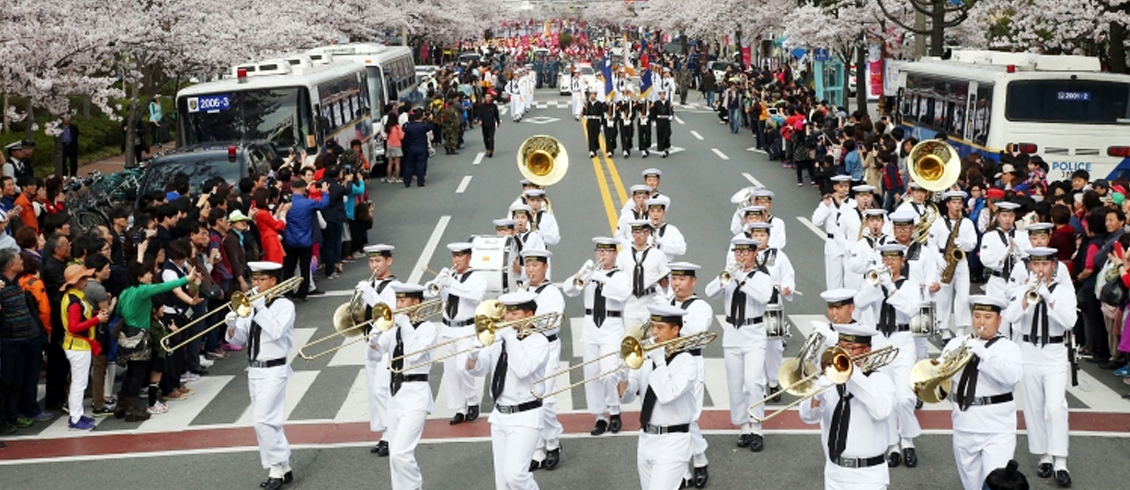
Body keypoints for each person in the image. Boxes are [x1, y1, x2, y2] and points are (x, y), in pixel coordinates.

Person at [799, 289, 896, 490]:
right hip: (834, 473)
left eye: (851, 350)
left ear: (867, 352)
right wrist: (816, 392)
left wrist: (852, 374)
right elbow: (808, 417)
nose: (846, 355)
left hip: (869, 477)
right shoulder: (830, 380)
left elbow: (881, 411)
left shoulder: (879, 381)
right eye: (842, 349)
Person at [1002, 247, 1076, 487]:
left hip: (1054, 352)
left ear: (1053, 266)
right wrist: (1027, 298)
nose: (1040, 270)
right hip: (1029, 351)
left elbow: (1069, 321)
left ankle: (1061, 461)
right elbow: (1011, 317)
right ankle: (1044, 456)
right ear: (1030, 267)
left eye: (1045, 265)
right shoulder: (1023, 290)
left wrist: (1049, 297)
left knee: (1055, 407)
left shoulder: (1063, 291)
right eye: (1036, 265)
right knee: (1033, 407)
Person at [467, 290, 551, 490]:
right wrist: (473, 353)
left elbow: (523, 370)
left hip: (526, 416)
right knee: (502, 482)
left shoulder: (538, 341)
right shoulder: (500, 340)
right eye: (507, 313)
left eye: (515, 314)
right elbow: (477, 370)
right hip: (500, 415)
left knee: (516, 475)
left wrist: (509, 337)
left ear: (529, 315)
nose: (508, 318)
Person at [224, 262, 298, 490]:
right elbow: (238, 341)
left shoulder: (285, 306)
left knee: (262, 420)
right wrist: (232, 326)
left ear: (273, 281)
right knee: (268, 420)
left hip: (275, 369)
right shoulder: (252, 304)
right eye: (254, 279)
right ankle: (284, 467)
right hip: (254, 370)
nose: (255, 284)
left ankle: (275, 467)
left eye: (261, 279)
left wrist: (259, 308)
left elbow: (276, 332)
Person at [945, 295, 1024, 490]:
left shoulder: (1008, 348)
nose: (981, 321)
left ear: (999, 320)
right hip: (964, 423)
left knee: (996, 484)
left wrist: (984, 355)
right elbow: (940, 376)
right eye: (977, 315)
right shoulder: (956, 344)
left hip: (996, 428)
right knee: (970, 485)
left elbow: (1012, 376)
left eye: (988, 317)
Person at [856, 244, 923, 468]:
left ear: (902, 261)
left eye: (894, 259)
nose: (890, 264)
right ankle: (893, 444)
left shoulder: (910, 286)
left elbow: (912, 309)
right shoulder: (876, 283)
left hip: (903, 341)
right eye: (886, 259)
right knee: (887, 396)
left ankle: (908, 440)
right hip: (880, 341)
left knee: (904, 397)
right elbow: (858, 303)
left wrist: (891, 289)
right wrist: (872, 284)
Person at [617, 304, 697, 490]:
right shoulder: (647, 359)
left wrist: (659, 360)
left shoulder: (686, 362)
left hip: (673, 442)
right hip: (646, 439)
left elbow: (667, 394)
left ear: (675, 330)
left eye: (660, 328)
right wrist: (622, 375)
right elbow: (626, 397)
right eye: (652, 326)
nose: (653, 333)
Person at [704, 236, 773, 452]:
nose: (741, 256)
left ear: (754, 254)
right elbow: (709, 292)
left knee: (753, 383)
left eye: (745, 252)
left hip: (754, 334)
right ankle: (744, 427)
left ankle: (757, 428)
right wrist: (725, 278)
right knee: (735, 386)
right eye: (738, 252)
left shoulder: (762, 276)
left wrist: (742, 281)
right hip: (732, 333)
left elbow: (763, 297)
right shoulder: (730, 274)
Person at [369, 282, 437, 490]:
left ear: (416, 303)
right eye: (397, 300)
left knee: (401, 453)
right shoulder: (395, 329)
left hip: (415, 394)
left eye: (403, 300)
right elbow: (375, 356)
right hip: (395, 395)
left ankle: (415, 486)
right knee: (394, 457)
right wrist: (373, 339)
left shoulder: (427, 328)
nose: (398, 304)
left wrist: (405, 324)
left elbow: (415, 355)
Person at [563, 237, 630, 435]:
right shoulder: (590, 274)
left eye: (606, 252)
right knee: (592, 374)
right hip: (590, 326)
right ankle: (600, 416)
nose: (602, 255)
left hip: (611, 326)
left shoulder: (620, 275)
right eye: (599, 251)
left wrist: (603, 280)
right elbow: (569, 289)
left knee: (609, 373)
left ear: (614, 254)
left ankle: (615, 410)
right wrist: (582, 273)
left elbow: (623, 294)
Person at [424, 242, 488, 424]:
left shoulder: (477, 277)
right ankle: (461, 409)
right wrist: (437, 282)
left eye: (460, 256)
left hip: (467, 329)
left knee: (463, 367)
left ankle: (472, 400)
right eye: (454, 256)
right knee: (451, 371)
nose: (457, 260)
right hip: (448, 328)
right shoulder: (449, 276)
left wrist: (452, 284)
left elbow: (475, 296)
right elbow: (429, 293)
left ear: (469, 257)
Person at [666, 262, 713, 488]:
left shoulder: (700, 306)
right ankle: (684, 468)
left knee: (688, 416)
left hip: (691, 362)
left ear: (693, 281)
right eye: (674, 278)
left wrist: (671, 320)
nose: (677, 283)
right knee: (673, 416)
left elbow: (697, 331)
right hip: (669, 363)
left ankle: (700, 458)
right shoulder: (666, 303)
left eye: (682, 279)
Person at [522, 250, 566, 471]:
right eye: (527, 266)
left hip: (547, 346)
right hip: (527, 346)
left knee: (546, 400)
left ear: (545, 267)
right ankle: (537, 449)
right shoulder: (521, 290)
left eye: (534, 266)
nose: (530, 270)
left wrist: (529, 320)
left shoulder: (552, 293)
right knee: (531, 400)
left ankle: (553, 443)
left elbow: (554, 323)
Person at [355, 244, 397, 455]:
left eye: (378, 261)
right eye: (371, 261)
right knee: (374, 389)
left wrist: (369, 294)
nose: (374, 265)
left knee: (383, 389)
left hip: (387, 344)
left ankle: (392, 434)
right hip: (370, 341)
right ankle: (384, 433)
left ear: (388, 261)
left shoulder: (395, 286)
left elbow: (388, 312)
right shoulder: (370, 285)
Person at [748, 223, 796, 404]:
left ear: (768, 237)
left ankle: (774, 381)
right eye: (755, 235)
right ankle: (759, 386)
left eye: (762, 235)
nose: (759, 239)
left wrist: (787, 288)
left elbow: (788, 276)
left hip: (773, 306)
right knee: (755, 345)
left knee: (774, 347)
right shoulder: (746, 255)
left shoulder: (779, 256)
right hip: (752, 306)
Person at [59, 263, 110, 430]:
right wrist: (97, 320)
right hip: (78, 346)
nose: (87, 281)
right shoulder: (75, 300)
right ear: (76, 281)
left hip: (78, 345)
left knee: (79, 383)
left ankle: (77, 414)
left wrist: (95, 316)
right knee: (79, 383)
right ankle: (75, 418)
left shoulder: (74, 297)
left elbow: (78, 320)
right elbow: (74, 327)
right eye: (83, 278)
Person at [931, 190, 977, 340]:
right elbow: (931, 242)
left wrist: (962, 243)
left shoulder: (967, 223)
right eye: (954, 203)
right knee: (943, 297)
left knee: (963, 296)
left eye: (959, 203)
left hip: (961, 261)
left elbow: (973, 243)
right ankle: (944, 329)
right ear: (948, 204)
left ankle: (961, 328)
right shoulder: (938, 223)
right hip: (944, 260)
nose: (958, 206)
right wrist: (938, 259)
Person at [281, 178, 329, 302]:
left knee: (289, 268)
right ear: (304, 188)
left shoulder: (287, 205)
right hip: (305, 240)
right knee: (304, 268)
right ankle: (302, 293)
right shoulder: (309, 203)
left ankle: (288, 292)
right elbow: (324, 204)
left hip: (290, 240)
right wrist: (325, 192)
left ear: (291, 188)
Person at [617, 220, 670, 331]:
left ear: (647, 233)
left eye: (641, 232)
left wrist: (664, 284)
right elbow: (618, 278)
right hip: (630, 302)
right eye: (635, 233)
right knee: (631, 337)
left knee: (651, 337)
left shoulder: (658, 255)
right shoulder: (623, 255)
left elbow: (666, 281)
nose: (638, 236)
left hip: (650, 300)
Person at [980, 202, 1029, 299]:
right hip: (997, 281)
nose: (1008, 219)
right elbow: (985, 259)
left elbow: (1028, 257)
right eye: (1004, 215)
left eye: (1011, 215)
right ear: (998, 216)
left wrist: (1017, 251)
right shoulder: (989, 236)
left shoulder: (1023, 235)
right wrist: (1005, 253)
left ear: (1014, 217)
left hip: (1018, 281)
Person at [812, 175, 854, 289]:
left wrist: (841, 204)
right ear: (835, 187)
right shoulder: (828, 202)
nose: (844, 189)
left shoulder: (852, 204)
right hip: (833, 243)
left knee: (851, 278)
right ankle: (835, 304)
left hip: (848, 242)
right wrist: (825, 206)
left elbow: (854, 219)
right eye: (841, 186)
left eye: (846, 186)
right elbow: (816, 221)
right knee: (834, 279)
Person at [646, 197, 686, 262]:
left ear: (664, 213)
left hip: (665, 266)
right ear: (648, 213)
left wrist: (662, 247)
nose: (655, 215)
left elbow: (682, 249)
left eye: (659, 211)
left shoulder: (672, 230)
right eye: (652, 211)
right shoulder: (642, 229)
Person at [402, 111, 432, 188]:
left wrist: (405, 148)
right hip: (421, 147)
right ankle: (420, 181)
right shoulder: (423, 126)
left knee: (409, 165)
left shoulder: (409, 126)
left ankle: (407, 181)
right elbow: (431, 127)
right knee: (421, 164)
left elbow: (405, 138)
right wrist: (430, 119)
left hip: (411, 147)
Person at [478, 93, 501, 158]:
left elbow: (496, 114)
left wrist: (498, 121)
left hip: (491, 124)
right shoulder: (481, 106)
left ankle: (491, 150)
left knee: (491, 138)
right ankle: (487, 149)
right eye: (486, 97)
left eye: (489, 97)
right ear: (484, 98)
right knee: (485, 138)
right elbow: (479, 114)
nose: (487, 98)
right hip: (484, 124)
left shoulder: (494, 106)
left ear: (491, 98)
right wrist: (479, 120)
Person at [583, 91, 604, 158]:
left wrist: (602, 124)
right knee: (590, 136)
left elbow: (602, 114)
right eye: (591, 94)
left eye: (593, 94)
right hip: (590, 120)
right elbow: (584, 113)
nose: (592, 96)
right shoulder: (587, 104)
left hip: (597, 120)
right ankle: (591, 150)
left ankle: (595, 147)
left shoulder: (599, 103)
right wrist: (585, 113)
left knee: (596, 135)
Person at [653, 91, 674, 158]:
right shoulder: (656, 103)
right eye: (661, 95)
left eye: (663, 95)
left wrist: (671, 115)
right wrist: (654, 120)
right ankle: (663, 150)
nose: (662, 96)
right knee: (660, 135)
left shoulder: (668, 103)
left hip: (666, 121)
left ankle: (666, 146)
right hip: (659, 120)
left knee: (666, 135)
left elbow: (671, 111)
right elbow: (654, 112)